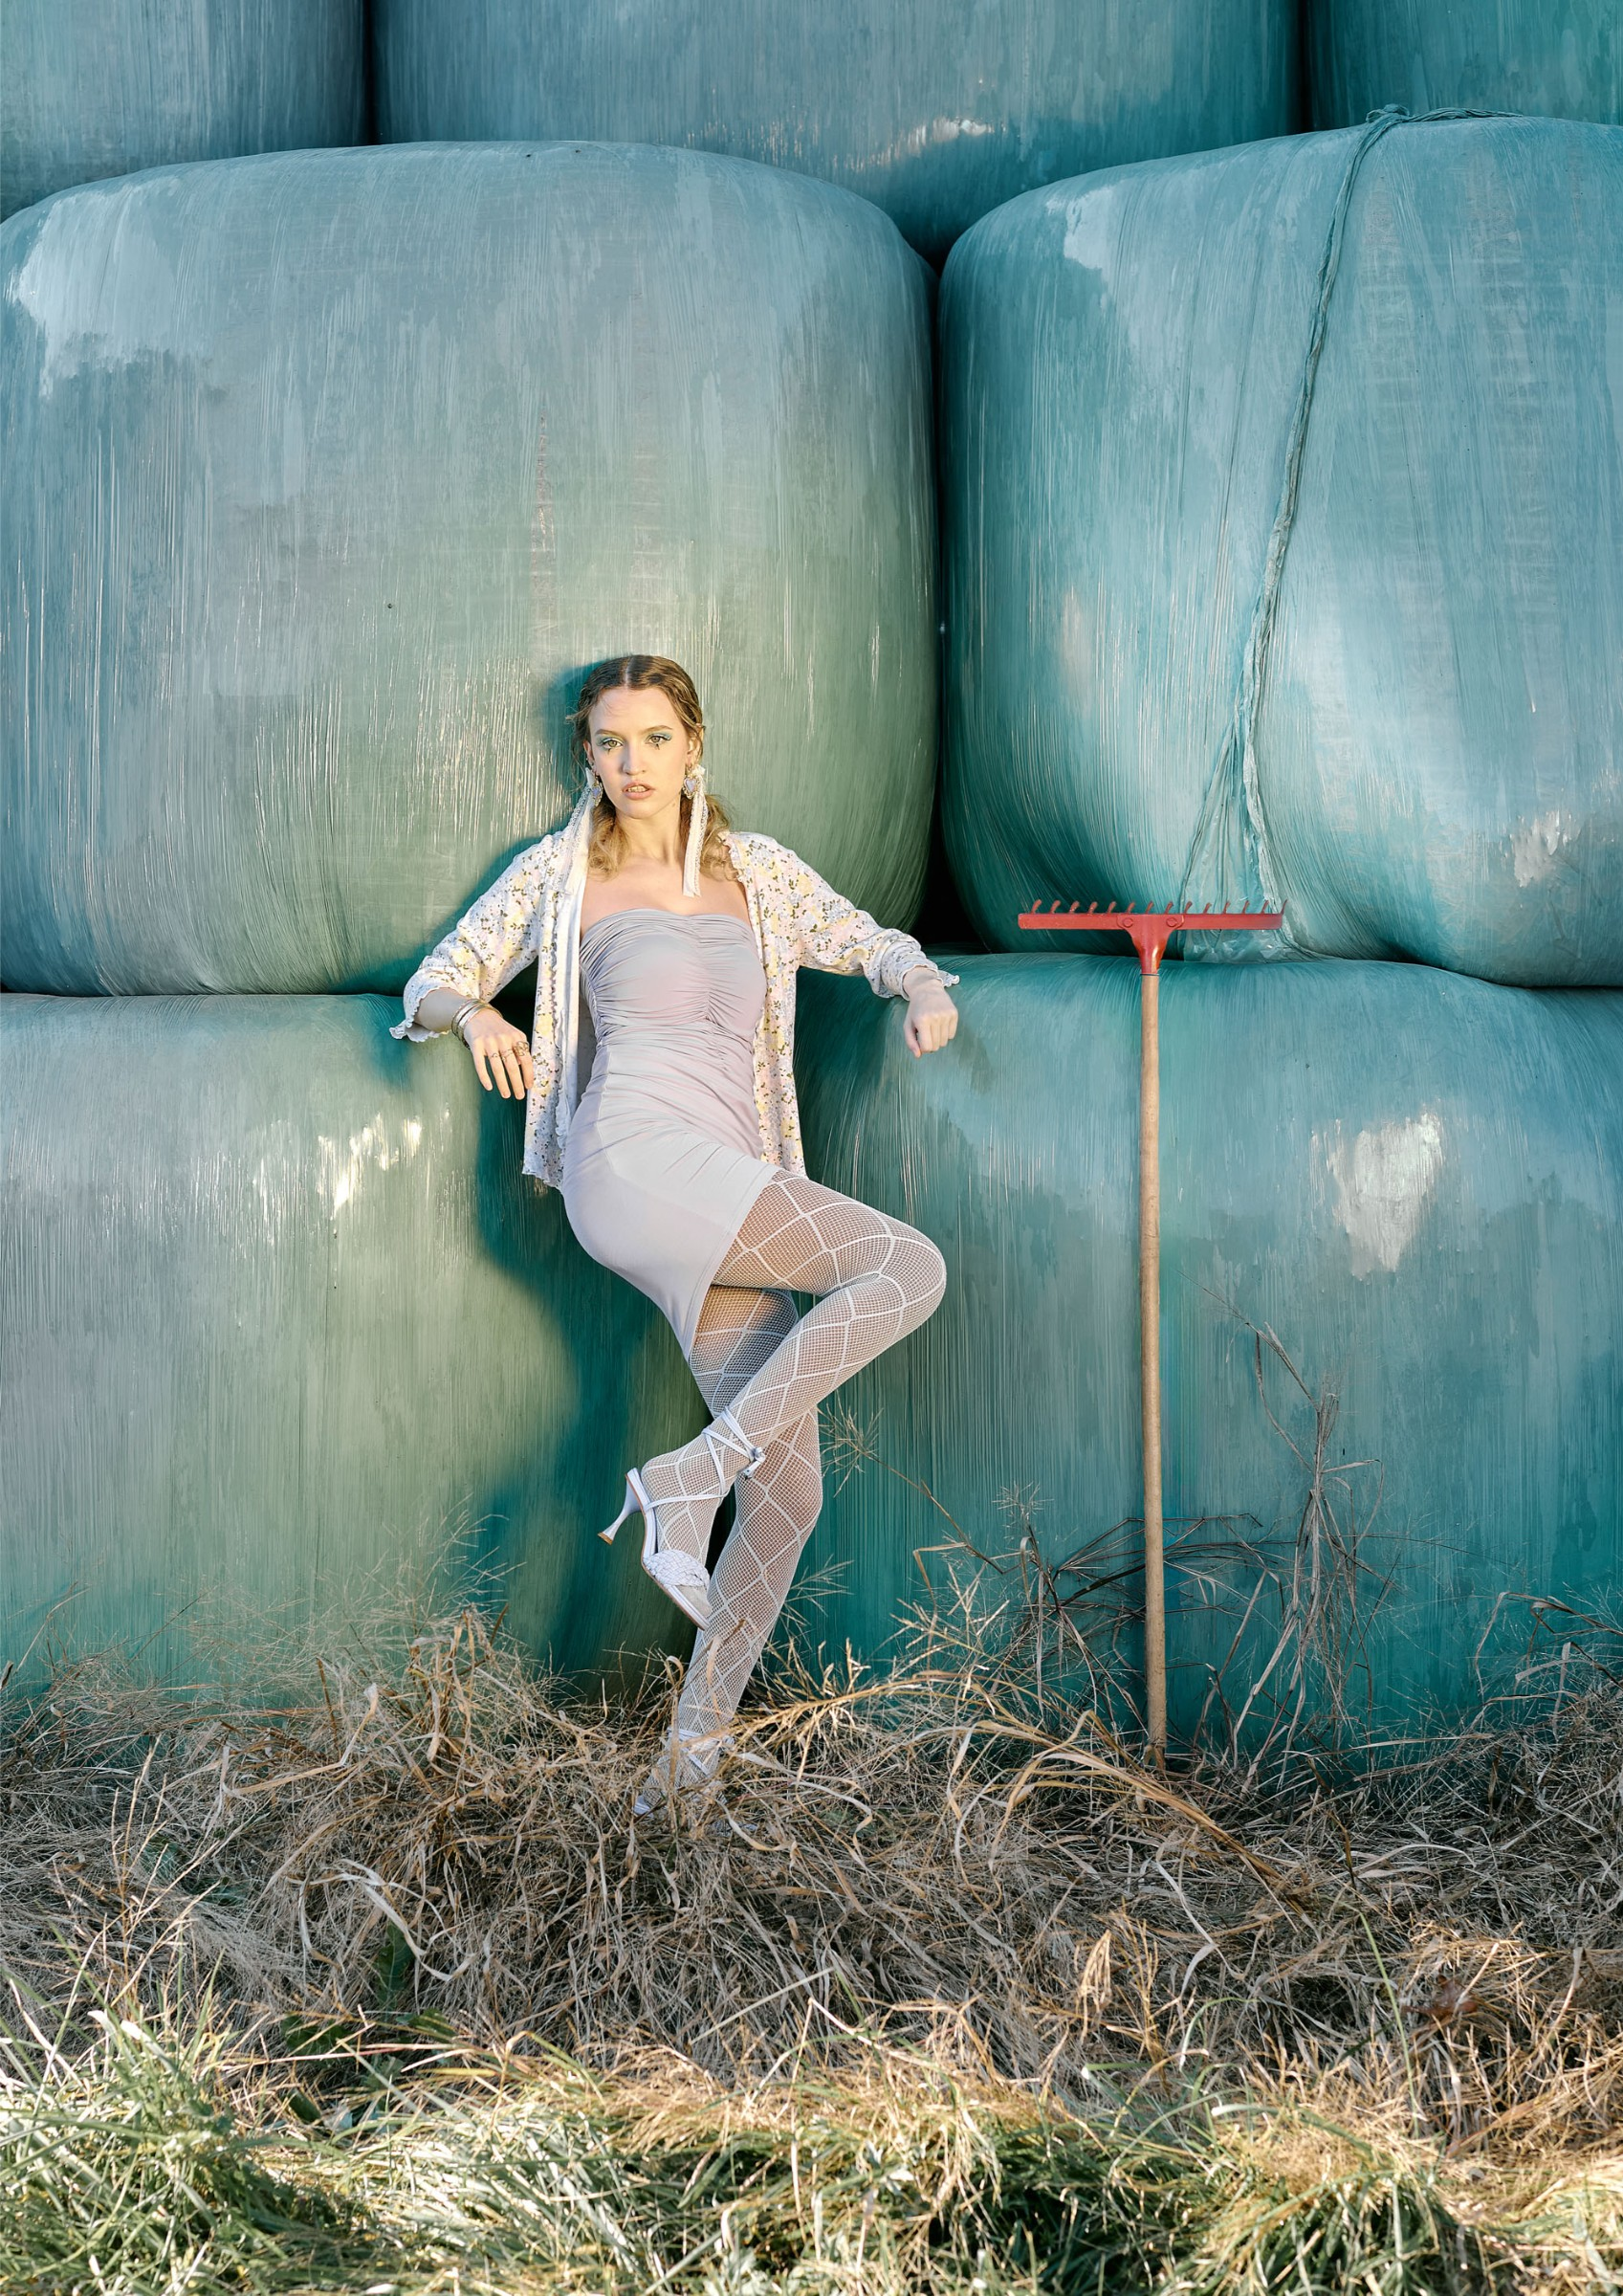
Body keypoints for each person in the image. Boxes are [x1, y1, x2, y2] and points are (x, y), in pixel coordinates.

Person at [394, 653, 958, 1809]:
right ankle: (690, 1474)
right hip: (633, 1161)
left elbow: (867, 939)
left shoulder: (759, 872)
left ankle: (686, 1771)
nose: (631, 763)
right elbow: (434, 980)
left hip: (729, 1176)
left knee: (787, 1497)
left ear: (692, 745)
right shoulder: (561, 875)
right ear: (586, 756)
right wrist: (479, 1016)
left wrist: (921, 986)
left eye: (654, 739)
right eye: (609, 742)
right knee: (905, 1265)